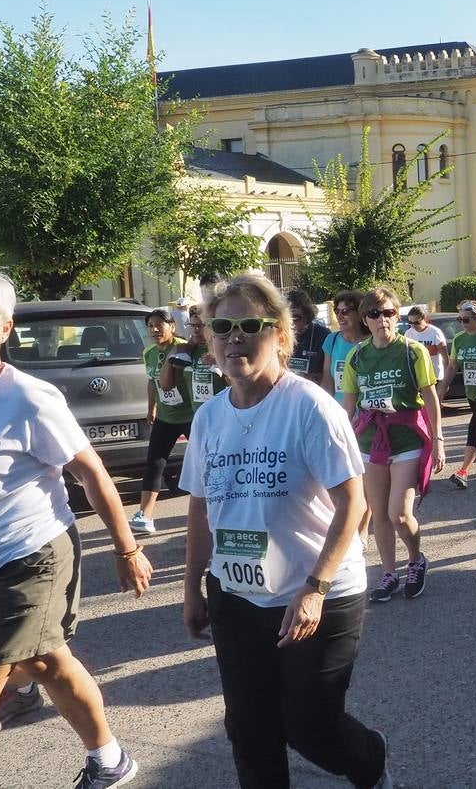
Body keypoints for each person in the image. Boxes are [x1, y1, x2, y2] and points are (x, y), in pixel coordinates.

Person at [0, 269, 152, 789]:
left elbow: (91, 471)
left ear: (5, 327)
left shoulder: (29, 398)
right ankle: (110, 759)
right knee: (48, 663)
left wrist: (126, 548)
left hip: (30, 558)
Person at [181, 274, 391, 789]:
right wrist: (191, 588)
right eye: (222, 326)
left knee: (309, 727)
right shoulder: (209, 418)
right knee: (249, 729)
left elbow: (353, 502)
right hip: (236, 593)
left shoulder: (309, 407)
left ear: (278, 332)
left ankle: (370, 758)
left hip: (317, 592)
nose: (234, 337)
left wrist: (315, 587)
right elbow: (200, 507)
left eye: (248, 325)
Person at [342, 287, 444, 602]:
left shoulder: (413, 351)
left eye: (388, 313)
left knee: (399, 513)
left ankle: (416, 560)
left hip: (406, 439)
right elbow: (349, 404)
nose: (382, 320)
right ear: (365, 319)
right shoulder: (356, 356)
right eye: (374, 314)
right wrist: (340, 444)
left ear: (396, 316)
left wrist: (438, 440)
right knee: (380, 515)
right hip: (370, 442)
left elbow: (429, 397)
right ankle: (389, 573)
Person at [132, 308, 193, 535]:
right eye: (150, 326)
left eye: (160, 324)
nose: (155, 329)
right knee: (155, 463)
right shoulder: (148, 352)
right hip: (166, 418)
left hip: (190, 416)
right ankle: (144, 515)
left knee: (201, 465)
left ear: (172, 326)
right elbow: (152, 382)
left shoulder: (184, 348)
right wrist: (152, 409)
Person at [440, 301, 476, 488]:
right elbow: (453, 365)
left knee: (474, 428)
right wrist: (442, 388)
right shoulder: (459, 339)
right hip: (471, 392)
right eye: (459, 319)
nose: (462, 323)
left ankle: (463, 471)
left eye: (466, 319)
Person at [160, 304, 228, 418]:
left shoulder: (223, 349)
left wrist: (220, 362)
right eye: (192, 325)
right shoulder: (187, 351)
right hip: (199, 418)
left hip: (223, 416)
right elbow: (166, 386)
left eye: (200, 326)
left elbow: (238, 386)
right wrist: (171, 356)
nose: (196, 330)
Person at [322, 290, 368, 403]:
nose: (339, 316)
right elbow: (328, 378)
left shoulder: (373, 342)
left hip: (367, 414)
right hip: (339, 412)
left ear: (359, 314)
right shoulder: (331, 340)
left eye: (345, 311)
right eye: (337, 311)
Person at [286, 289, 330, 385]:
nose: (292, 322)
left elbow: (329, 373)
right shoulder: (279, 335)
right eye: (288, 318)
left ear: (307, 315)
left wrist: (307, 377)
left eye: (297, 318)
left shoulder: (323, 335)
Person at [403, 305, 449, 385]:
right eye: (410, 323)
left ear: (424, 319)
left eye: (417, 322)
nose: (413, 326)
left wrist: (445, 382)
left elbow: (445, 358)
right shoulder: (408, 334)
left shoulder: (435, 332)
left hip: (435, 376)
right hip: (417, 377)